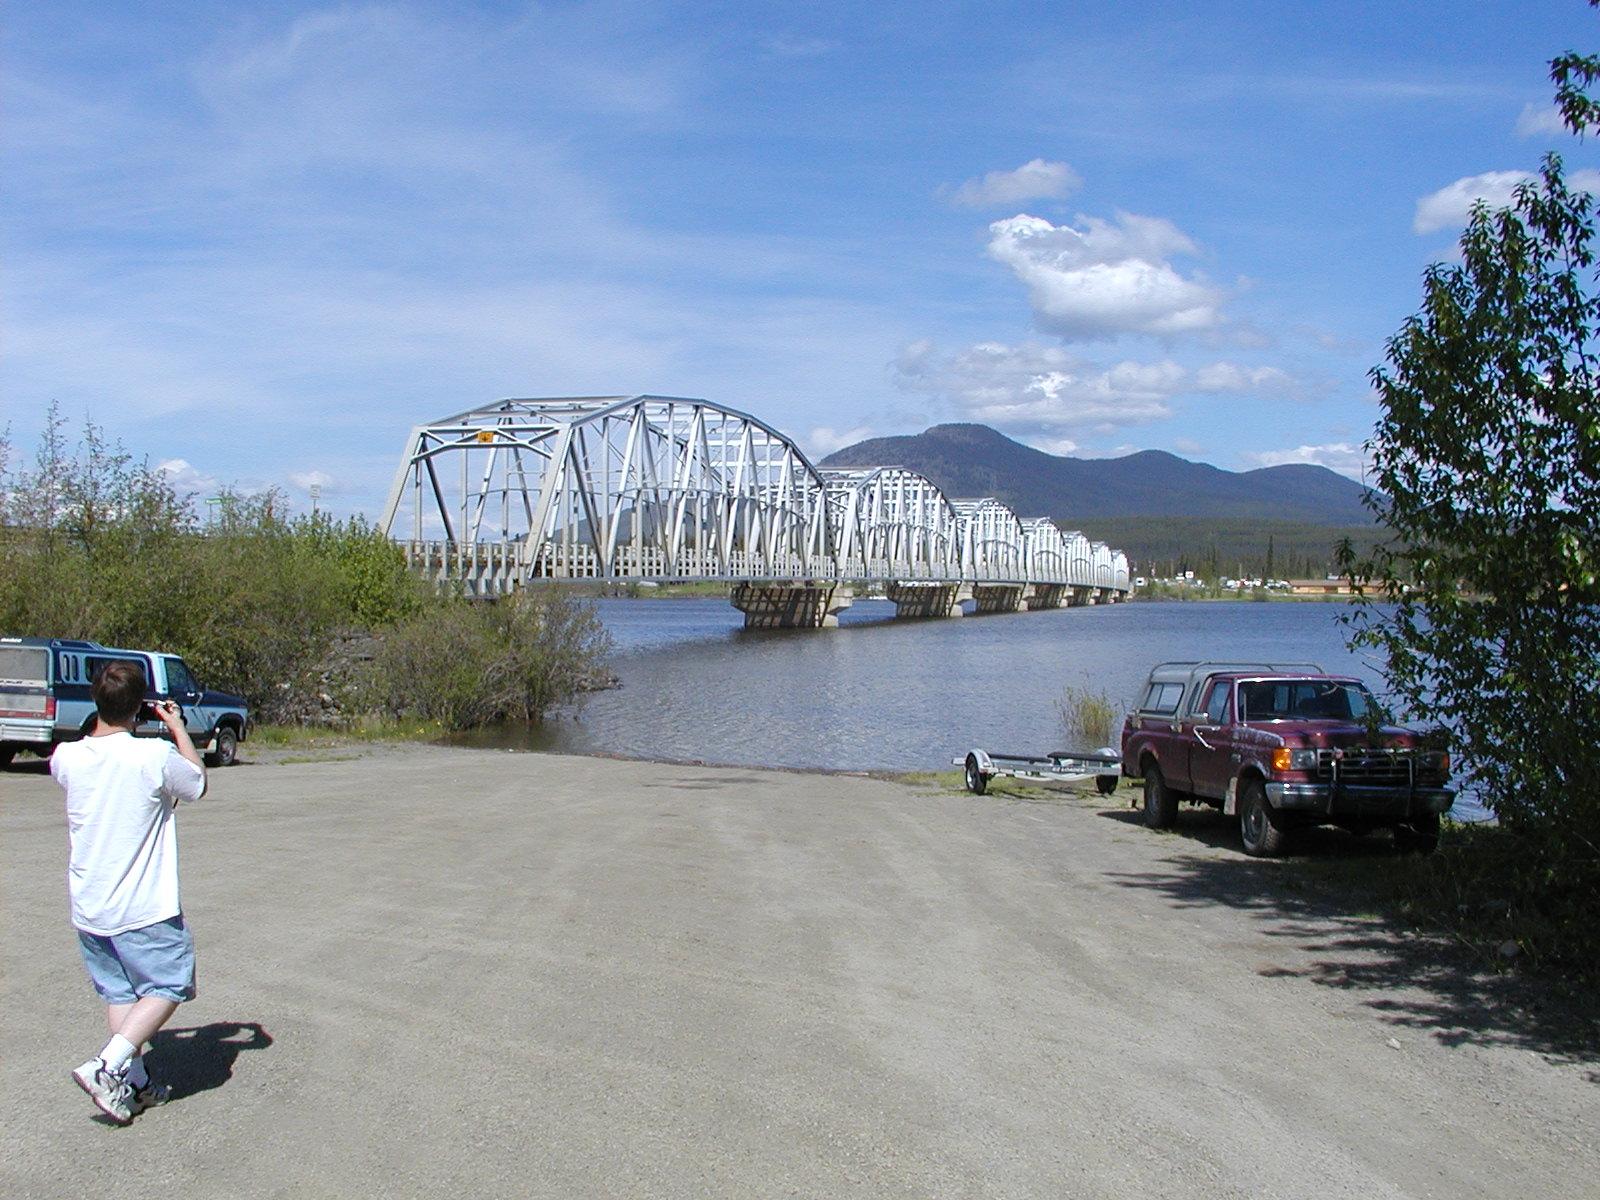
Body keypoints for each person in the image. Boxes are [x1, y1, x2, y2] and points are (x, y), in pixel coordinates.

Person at [51, 659, 207, 1124]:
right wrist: (177, 727)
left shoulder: (65, 758)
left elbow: (93, 751)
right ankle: (107, 1066)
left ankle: (133, 1084)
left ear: (95, 700)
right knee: (169, 983)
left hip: (91, 905)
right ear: (140, 706)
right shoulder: (152, 756)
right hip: (142, 906)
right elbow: (195, 783)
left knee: (121, 993)